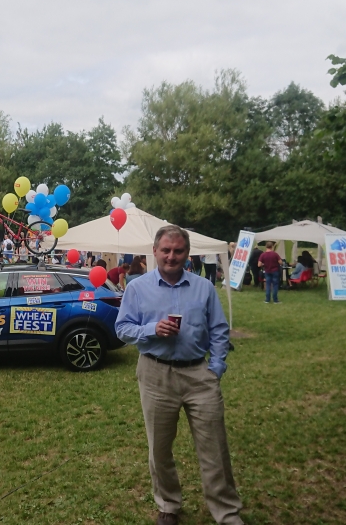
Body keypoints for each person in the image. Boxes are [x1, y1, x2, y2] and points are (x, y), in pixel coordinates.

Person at [115, 225, 243, 525]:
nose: (172, 256)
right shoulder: (137, 287)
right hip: (155, 373)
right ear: (155, 252)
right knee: (159, 448)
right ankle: (169, 505)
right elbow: (122, 329)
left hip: (199, 374)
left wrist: (217, 367)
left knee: (214, 447)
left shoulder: (204, 288)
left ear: (187, 254)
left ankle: (226, 511)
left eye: (178, 251)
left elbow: (219, 331)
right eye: (166, 250)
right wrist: (152, 329)